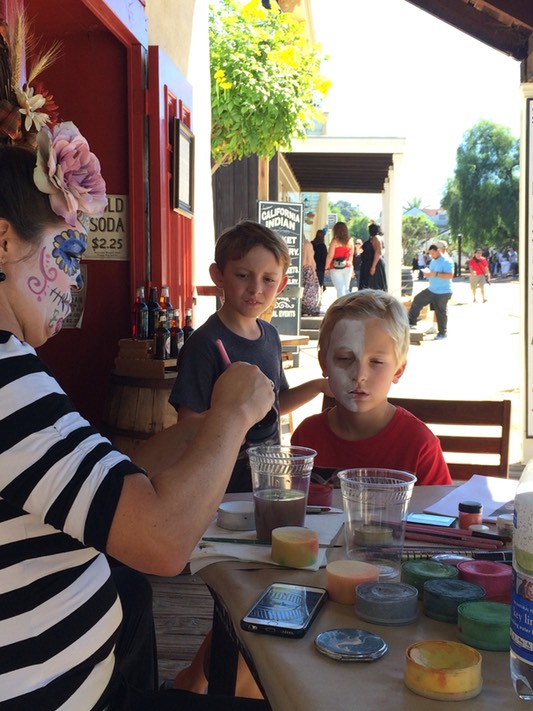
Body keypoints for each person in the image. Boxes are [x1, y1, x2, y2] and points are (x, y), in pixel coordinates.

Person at [0, 140, 274, 708]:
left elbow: (112, 483)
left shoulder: (16, 365)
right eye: (65, 251)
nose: (72, 280)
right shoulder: (5, 377)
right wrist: (230, 416)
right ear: (3, 242)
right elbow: (163, 541)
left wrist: (205, 427)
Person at [169, 220, 330, 493]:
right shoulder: (205, 344)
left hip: (266, 482)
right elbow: (187, 426)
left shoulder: (271, 336)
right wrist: (234, 413)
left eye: (268, 279)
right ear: (218, 275)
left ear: (281, 285)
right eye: (243, 275)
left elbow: (275, 404)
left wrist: (318, 386)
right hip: (217, 487)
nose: (256, 288)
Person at [291, 290, 452, 487]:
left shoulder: (419, 445)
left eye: (376, 361)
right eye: (344, 359)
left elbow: (438, 512)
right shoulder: (307, 436)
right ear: (324, 364)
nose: (359, 375)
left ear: (398, 370)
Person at [408, 243, 453, 340]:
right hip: (432, 289)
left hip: (443, 292)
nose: (431, 256)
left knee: (440, 312)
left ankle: (442, 332)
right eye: (430, 254)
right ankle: (411, 322)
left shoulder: (446, 261)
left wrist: (435, 274)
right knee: (417, 300)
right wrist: (427, 273)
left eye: (433, 253)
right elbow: (432, 272)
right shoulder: (433, 261)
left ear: (438, 251)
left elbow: (450, 275)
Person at [324, 221, 354, 298]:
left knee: (340, 289)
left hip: (336, 266)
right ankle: (347, 305)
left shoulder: (335, 241)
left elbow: (330, 256)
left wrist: (326, 267)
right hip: (348, 266)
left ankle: (342, 307)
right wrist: (352, 268)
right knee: (346, 289)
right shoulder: (350, 241)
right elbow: (351, 256)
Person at [359, 222, 387, 291]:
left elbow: (378, 252)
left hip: (372, 264)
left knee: (372, 285)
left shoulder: (376, 238)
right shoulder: (378, 238)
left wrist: (373, 267)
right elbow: (382, 251)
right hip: (370, 263)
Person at [301, 236, 321, 315]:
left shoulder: (298, 243)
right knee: (309, 290)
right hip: (308, 268)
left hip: (300, 269)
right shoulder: (308, 244)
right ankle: (308, 308)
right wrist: (314, 273)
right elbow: (311, 261)